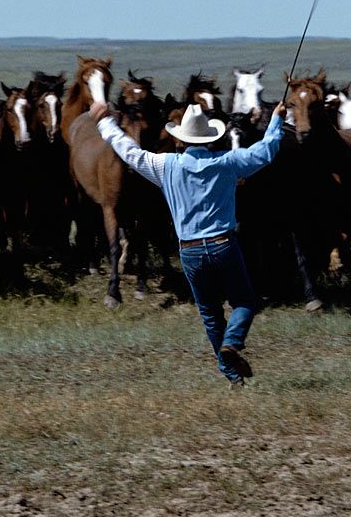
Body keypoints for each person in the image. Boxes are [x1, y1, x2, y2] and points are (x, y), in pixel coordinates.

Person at [89, 99, 287, 387]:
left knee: (209, 314)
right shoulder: (227, 162)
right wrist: (277, 120)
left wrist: (105, 122)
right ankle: (232, 343)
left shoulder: (165, 165)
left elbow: (129, 152)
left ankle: (232, 374)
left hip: (189, 251)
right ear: (209, 139)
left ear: (181, 139)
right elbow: (266, 151)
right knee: (244, 301)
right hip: (223, 244)